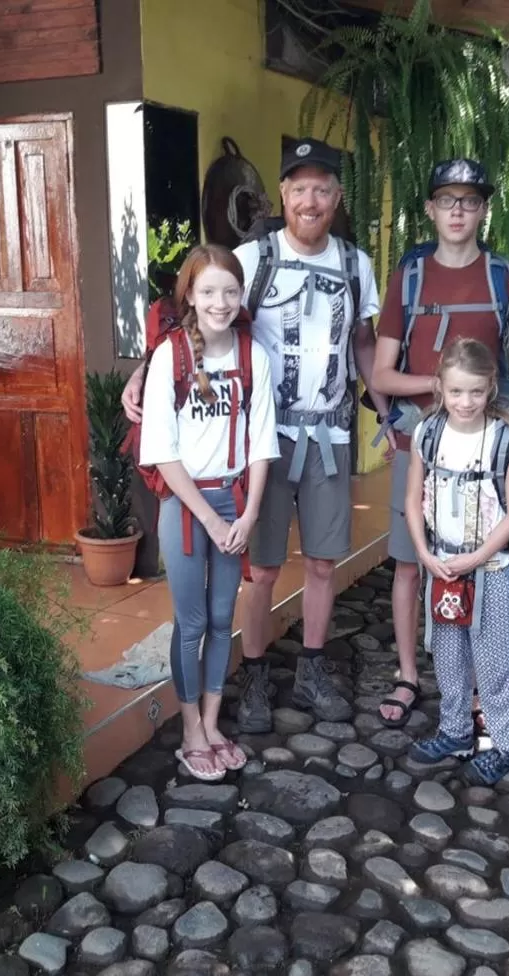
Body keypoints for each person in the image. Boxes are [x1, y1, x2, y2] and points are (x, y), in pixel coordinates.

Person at [124, 137, 391, 730]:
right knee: (263, 567)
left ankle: (313, 668)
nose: (310, 201)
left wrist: (386, 410)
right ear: (283, 195)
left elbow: (363, 343)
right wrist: (145, 370)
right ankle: (256, 672)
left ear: (336, 197)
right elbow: (195, 314)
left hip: (329, 436)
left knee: (322, 563)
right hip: (261, 442)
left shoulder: (355, 265)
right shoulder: (252, 257)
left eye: (322, 189)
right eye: (299, 189)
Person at [371, 158, 509, 731]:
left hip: (488, 453)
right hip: (420, 443)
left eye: (469, 201)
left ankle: (472, 683)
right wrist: (444, 388)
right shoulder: (409, 278)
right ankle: (407, 674)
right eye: (447, 200)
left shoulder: (507, 278)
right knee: (409, 563)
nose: (458, 211)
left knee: (483, 566)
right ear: (429, 208)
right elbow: (382, 374)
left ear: (484, 210)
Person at [139, 244, 280, 781]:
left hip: (234, 503)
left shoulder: (252, 356)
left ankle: (214, 723)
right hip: (186, 505)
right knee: (192, 621)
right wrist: (213, 520)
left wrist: (248, 516)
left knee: (223, 619)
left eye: (230, 291)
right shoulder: (169, 357)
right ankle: (191, 730)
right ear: (190, 297)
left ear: (241, 295)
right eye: (208, 291)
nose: (220, 302)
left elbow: (262, 443)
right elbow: (162, 452)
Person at [403, 338, 509, 786]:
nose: (465, 402)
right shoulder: (427, 432)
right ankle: (455, 730)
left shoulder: (505, 440)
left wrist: (477, 556)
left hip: (490, 567)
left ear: (491, 387)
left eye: (476, 392)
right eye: (456, 391)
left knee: (495, 658)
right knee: (448, 653)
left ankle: (508, 742)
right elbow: (413, 497)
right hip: (441, 564)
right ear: (440, 386)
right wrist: (423, 552)